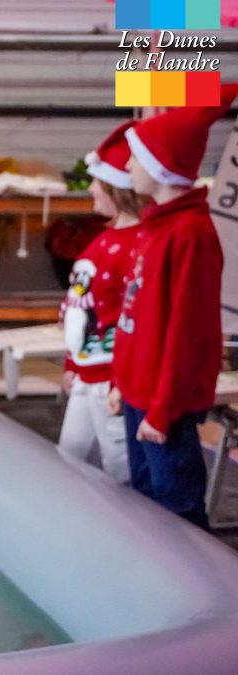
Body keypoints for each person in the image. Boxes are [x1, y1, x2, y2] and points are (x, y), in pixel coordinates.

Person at [110, 84, 237, 530]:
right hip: (138, 394)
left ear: (161, 167)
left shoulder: (190, 235)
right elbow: (136, 317)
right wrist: (120, 382)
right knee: (146, 506)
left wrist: (162, 410)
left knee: (178, 514)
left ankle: (208, 599)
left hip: (163, 403)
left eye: (135, 158)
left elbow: (187, 333)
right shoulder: (155, 229)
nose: (127, 167)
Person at [56, 122, 149, 484]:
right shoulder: (105, 238)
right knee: (71, 459)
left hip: (109, 377)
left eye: (98, 180)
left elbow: (133, 317)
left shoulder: (138, 244)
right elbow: (81, 305)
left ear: (117, 187)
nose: (91, 187)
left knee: (120, 468)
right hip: (87, 371)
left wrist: (121, 380)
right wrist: (72, 362)